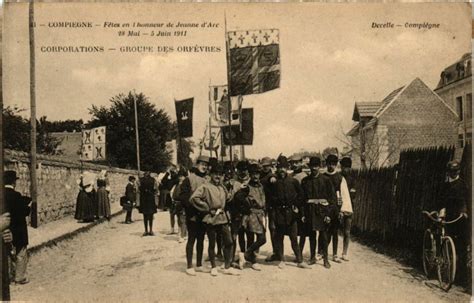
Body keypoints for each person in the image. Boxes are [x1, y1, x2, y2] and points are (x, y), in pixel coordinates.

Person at [190, 163, 239, 276]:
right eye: (216, 174)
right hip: (211, 218)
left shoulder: (222, 187)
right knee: (212, 243)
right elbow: (194, 198)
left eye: (220, 174)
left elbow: (228, 198)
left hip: (223, 218)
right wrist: (207, 208)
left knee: (229, 242)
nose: (218, 176)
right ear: (211, 174)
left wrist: (232, 189)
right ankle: (213, 266)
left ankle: (227, 267)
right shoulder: (205, 186)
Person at [268, 156, 310, 269]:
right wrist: (273, 216)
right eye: (280, 167)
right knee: (280, 237)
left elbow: (302, 195)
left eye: (284, 167)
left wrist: (296, 205)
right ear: (277, 168)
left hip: (291, 214)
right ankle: (282, 260)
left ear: (287, 168)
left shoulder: (293, 181)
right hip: (279, 214)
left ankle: (300, 260)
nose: (282, 170)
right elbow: (270, 200)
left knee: (293, 238)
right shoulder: (274, 182)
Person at [300, 157, 337, 268]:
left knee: (324, 235)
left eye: (316, 166)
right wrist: (303, 214)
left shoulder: (326, 180)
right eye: (312, 166)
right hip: (310, 211)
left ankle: (325, 259)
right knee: (312, 235)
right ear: (309, 167)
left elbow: (332, 199)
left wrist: (328, 215)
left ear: (319, 167)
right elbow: (302, 199)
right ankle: (312, 257)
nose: (314, 168)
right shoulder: (305, 181)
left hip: (322, 211)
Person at [438, 160, 469, 283]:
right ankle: (449, 274)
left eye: (455, 171)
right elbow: (441, 201)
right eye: (451, 171)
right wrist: (441, 211)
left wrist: (465, 211)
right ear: (448, 172)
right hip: (448, 218)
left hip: (460, 219)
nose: (453, 173)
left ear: (459, 171)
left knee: (461, 247)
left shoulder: (463, 185)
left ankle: (461, 277)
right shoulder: (444, 186)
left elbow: (466, 201)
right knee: (448, 245)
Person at [178, 155, 210, 276]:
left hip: (204, 214)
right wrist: (192, 207)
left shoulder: (208, 179)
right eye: (202, 164)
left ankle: (199, 265)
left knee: (201, 239)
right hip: (193, 214)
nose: (204, 167)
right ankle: (189, 266)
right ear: (197, 165)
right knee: (192, 239)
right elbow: (183, 196)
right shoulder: (189, 179)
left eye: (206, 165)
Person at [236, 163, 267, 271]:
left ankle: (246, 255)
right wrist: (247, 207)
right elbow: (238, 197)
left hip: (260, 214)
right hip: (251, 214)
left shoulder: (260, 185)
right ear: (250, 174)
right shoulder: (246, 186)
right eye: (253, 174)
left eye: (257, 174)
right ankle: (251, 259)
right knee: (258, 238)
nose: (255, 176)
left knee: (260, 239)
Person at [4, 170, 32, 284]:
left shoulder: (2, 195)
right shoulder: (16, 195)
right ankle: (19, 277)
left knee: (6, 252)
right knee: (21, 252)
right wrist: (28, 207)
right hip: (18, 229)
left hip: (5, 228)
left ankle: (8, 276)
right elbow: (24, 211)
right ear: (13, 182)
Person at [323, 154, 352, 263]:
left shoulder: (340, 178)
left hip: (335, 208)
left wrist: (341, 210)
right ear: (326, 164)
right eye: (329, 164)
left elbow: (343, 195)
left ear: (336, 165)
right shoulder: (323, 176)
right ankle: (321, 252)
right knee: (323, 232)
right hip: (325, 207)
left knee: (334, 231)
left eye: (333, 164)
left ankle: (335, 254)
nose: (331, 166)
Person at [260, 157, 278, 262]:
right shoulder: (260, 175)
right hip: (261, 205)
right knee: (259, 227)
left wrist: (273, 179)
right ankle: (255, 249)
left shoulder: (272, 176)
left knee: (273, 228)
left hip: (271, 206)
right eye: (264, 166)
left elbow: (274, 178)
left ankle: (276, 251)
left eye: (267, 166)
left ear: (270, 166)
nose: (266, 168)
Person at [339, 157, 355, 261]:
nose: (346, 170)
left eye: (348, 168)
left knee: (347, 231)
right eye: (344, 167)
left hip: (349, 207)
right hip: (339, 207)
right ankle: (325, 251)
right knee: (333, 230)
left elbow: (353, 193)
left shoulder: (352, 179)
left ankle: (344, 252)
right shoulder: (338, 177)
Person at [171, 167, 188, 243]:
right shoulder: (177, 185)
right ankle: (182, 233)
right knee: (178, 219)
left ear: (185, 177)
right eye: (179, 176)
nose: (180, 178)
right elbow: (173, 194)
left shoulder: (186, 186)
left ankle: (183, 235)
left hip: (183, 204)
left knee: (183, 220)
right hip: (177, 204)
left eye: (182, 176)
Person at [139, 172, 158, 236]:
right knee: (149, 215)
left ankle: (147, 230)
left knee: (147, 216)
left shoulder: (140, 180)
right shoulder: (153, 180)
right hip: (149, 199)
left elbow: (138, 189)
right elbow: (156, 189)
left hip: (145, 199)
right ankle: (149, 230)